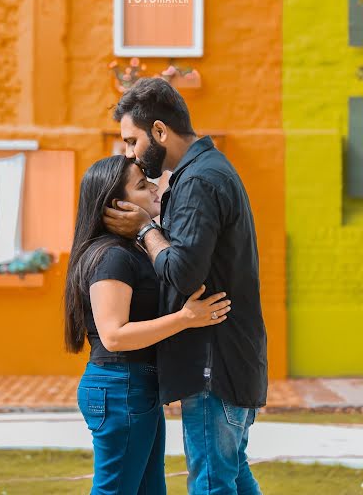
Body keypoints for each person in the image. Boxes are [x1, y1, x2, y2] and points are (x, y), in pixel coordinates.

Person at [103, 77, 267, 495]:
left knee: (212, 484)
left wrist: (145, 230)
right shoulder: (209, 170)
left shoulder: (197, 181)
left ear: (159, 131)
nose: (129, 154)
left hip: (215, 365)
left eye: (131, 141)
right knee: (232, 477)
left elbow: (183, 273)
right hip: (232, 362)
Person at [64, 154, 231, 495]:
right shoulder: (112, 255)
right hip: (121, 386)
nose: (155, 188)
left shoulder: (134, 249)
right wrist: (186, 318)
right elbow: (114, 336)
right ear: (118, 205)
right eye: (142, 185)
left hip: (134, 387)